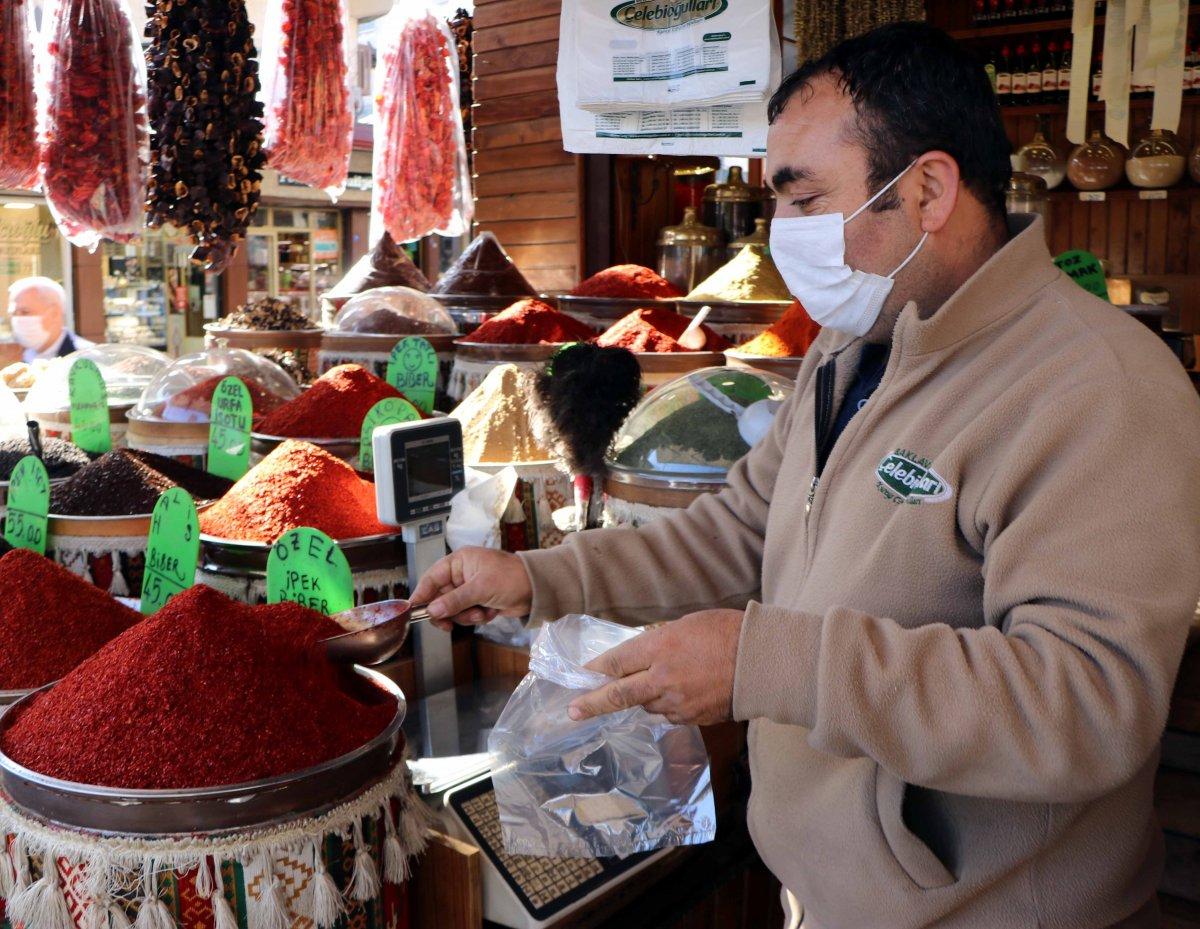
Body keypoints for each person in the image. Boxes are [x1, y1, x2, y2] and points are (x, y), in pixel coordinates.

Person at [413, 22, 1200, 929]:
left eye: (805, 198)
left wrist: (767, 663)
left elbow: (1088, 702)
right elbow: (743, 526)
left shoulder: (1097, 385)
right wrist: (541, 579)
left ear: (929, 190)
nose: (783, 235)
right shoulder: (851, 346)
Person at [6, 277, 93, 362]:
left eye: (25, 312)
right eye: (14, 314)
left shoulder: (87, 358)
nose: (18, 320)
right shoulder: (21, 357)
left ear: (54, 313)